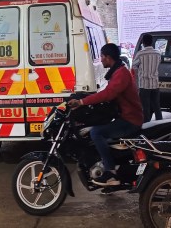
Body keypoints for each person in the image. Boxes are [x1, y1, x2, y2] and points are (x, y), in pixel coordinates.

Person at [67, 43, 143, 186]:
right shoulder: (118, 72)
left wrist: (82, 102)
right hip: (125, 117)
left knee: (96, 132)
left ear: (108, 57)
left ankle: (110, 173)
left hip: (130, 120)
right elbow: (107, 93)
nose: (101, 59)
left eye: (102, 56)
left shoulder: (121, 74)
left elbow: (108, 94)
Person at [132, 34, 162, 122]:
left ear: (143, 42)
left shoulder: (140, 53)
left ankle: (147, 125)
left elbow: (134, 66)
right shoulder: (158, 53)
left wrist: (140, 71)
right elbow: (158, 64)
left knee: (145, 107)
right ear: (152, 42)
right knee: (157, 106)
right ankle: (160, 123)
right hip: (155, 84)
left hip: (144, 85)